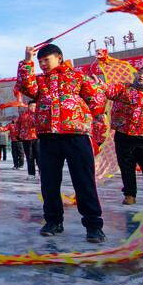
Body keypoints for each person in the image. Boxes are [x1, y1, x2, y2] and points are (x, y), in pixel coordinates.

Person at [17, 44, 107, 243]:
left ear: (59, 57)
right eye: (39, 62)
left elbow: (96, 101)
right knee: (49, 182)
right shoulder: (39, 81)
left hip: (76, 135)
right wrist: (27, 61)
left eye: (46, 60)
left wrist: (82, 117)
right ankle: (53, 220)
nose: (43, 65)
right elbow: (25, 87)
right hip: (48, 137)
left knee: (84, 181)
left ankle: (93, 224)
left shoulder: (78, 77)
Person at [94, 66, 143, 205]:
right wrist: (98, 82)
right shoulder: (124, 89)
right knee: (126, 167)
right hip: (124, 136)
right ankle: (130, 194)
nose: (141, 75)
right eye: (140, 73)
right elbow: (108, 91)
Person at [17, 101, 40, 180]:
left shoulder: (38, 115)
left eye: (34, 106)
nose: (33, 108)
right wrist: (18, 134)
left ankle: (42, 172)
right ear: (28, 106)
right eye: (31, 106)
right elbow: (18, 125)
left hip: (36, 137)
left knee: (38, 155)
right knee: (29, 156)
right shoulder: (23, 115)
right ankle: (31, 173)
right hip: (26, 138)